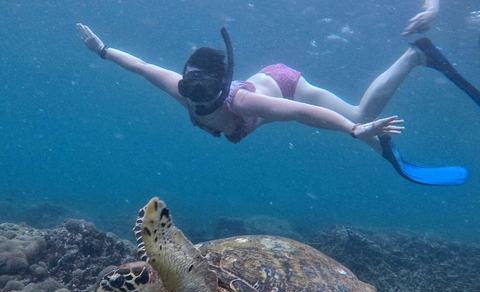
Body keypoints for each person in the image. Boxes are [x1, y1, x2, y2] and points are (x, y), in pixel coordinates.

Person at [76, 23, 479, 185]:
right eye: (189, 84)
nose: (193, 94)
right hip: (266, 85)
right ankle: (383, 134)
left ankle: (416, 56)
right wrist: (103, 49)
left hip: (283, 84)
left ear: (219, 84)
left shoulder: (246, 103)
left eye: (202, 87)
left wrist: (353, 131)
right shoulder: (179, 88)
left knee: (358, 118)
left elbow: (302, 112)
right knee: (360, 125)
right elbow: (143, 66)